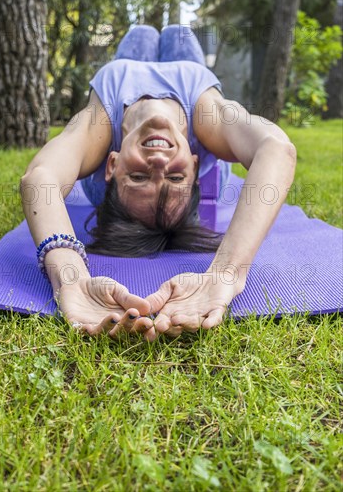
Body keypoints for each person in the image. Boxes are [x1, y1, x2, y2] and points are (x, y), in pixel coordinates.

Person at [21, 25, 297, 341]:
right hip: (190, 87)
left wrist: (70, 279)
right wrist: (227, 273)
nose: (159, 163)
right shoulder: (204, 112)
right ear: (194, 165)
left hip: (119, 109)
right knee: (178, 33)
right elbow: (277, 148)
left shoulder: (101, 125)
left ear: (112, 164)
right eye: (176, 177)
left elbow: (40, 178)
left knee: (140, 33)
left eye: (138, 177)